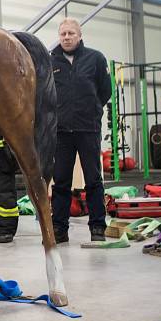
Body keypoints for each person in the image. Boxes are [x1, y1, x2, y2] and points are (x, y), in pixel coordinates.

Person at [50, 18, 112, 243]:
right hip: (62, 132)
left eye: (71, 34)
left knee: (93, 180)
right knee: (61, 181)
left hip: (88, 129)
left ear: (79, 35)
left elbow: (105, 91)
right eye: (63, 34)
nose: (66, 37)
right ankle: (59, 228)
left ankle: (97, 227)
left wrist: (92, 110)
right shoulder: (51, 61)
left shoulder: (95, 59)